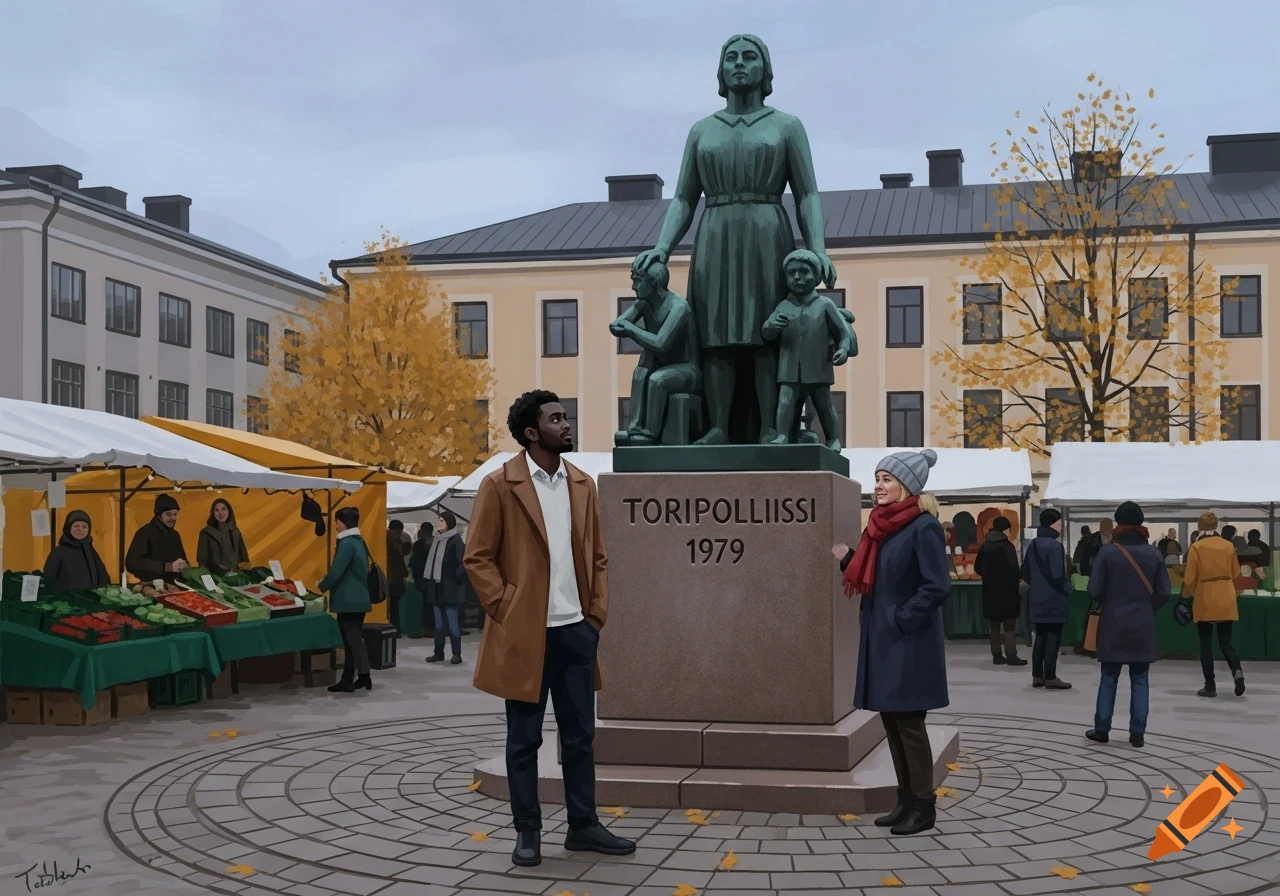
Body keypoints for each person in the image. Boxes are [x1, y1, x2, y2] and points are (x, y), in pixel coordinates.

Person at [631, 34, 836, 446]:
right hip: (716, 236)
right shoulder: (702, 131)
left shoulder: (786, 126)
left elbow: (808, 193)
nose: (739, 64)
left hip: (766, 232)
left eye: (749, 57)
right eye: (731, 58)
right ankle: (719, 427)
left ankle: (770, 428)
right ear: (720, 72)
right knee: (715, 338)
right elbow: (685, 197)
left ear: (766, 70)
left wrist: (818, 248)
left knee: (764, 335)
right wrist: (662, 246)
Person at [464, 390, 635, 867]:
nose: (566, 423)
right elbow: (477, 557)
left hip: (576, 632)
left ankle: (583, 826)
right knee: (524, 741)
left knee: (580, 737)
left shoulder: (582, 484)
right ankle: (528, 831)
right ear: (531, 432)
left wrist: (595, 615)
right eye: (555, 418)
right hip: (525, 635)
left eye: (566, 416)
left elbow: (598, 556)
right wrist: (506, 607)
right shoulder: (500, 486)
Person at [832, 448, 950, 837]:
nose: (878, 486)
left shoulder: (923, 527)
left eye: (887, 479)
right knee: (892, 724)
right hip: (884, 640)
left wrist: (902, 620)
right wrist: (848, 558)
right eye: (878, 478)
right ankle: (905, 800)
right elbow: (879, 576)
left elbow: (936, 587)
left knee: (910, 725)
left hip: (908, 643)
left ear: (907, 486)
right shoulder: (882, 527)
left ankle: (924, 805)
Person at [1085, 501, 1170, 748]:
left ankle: (1102, 729)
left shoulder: (1108, 553)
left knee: (1109, 676)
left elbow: (1095, 589)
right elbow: (1164, 592)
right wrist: (1146, 606)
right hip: (1143, 622)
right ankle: (1137, 733)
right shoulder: (1154, 554)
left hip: (1113, 621)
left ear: (1118, 524)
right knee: (1140, 677)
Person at [763, 249, 857, 450]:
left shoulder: (824, 305)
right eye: (792, 273)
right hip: (789, 368)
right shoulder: (784, 305)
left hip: (818, 367)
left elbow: (844, 333)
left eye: (803, 272)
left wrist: (843, 349)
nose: (797, 277)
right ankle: (782, 435)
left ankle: (832, 439)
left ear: (815, 276)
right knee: (785, 402)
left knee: (824, 405)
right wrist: (772, 325)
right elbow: (767, 333)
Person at [610, 260, 701, 445]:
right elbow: (617, 324)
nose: (633, 286)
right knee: (641, 372)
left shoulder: (679, 308)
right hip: (661, 365)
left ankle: (650, 434)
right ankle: (634, 428)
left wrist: (630, 329)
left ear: (653, 283)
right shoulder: (643, 303)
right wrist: (621, 325)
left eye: (637, 281)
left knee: (657, 379)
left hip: (688, 371)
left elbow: (661, 343)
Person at [1183, 512, 1245, 698]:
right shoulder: (1228, 546)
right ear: (1217, 525)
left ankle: (1210, 685)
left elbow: (1190, 578)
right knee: (1226, 643)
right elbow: (1236, 573)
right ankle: (1237, 673)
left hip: (1205, 597)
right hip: (1226, 595)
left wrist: (1183, 597)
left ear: (1199, 527)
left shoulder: (1196, 547)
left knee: (1206, 645)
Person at [318, 506, 373, 693]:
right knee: (352, 640)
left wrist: (321, 586)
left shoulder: (347, 543)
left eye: (337, 521)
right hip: (358, 598)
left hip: (348, 598)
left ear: (342, 523)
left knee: (352, 639)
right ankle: (348, 679)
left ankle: (364, 675)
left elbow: (336, 571)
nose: (335, 525)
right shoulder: (359, 541)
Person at [1022, 509, 1072, 690]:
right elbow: (1058, 575)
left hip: (1037, 597)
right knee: (1053, 637)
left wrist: (1037, 585)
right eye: (1059, 522)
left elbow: (1025, 572)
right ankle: (1050, 676)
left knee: (1040, 637)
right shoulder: (1055, 546)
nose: (1061, 525)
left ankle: (1037, 676)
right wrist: (1068, 589)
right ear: (1053, 523)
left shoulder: (1033, 545)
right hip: (1055, 598)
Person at [974, 516, 1024, 667]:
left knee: (994, 626)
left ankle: (997, 656)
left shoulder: (985, 546)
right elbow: (1014, 569)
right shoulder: (1007, 547)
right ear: (1004, 530)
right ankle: (1012, 656)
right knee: (1009, 625)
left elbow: (977, 568)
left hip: (990, 591)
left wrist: (989, 577)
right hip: (1008, 591)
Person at [420, 510, 466, 664]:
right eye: (438, 521)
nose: (439, 524)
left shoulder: (455, 541)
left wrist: (454, 577)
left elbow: (462, 564)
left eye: (442, 521)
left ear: (449, 523)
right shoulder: (437, 540)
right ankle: (438, 652)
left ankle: (456, 654)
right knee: (438, 625)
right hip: (437, 588)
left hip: (450, 588)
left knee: (452, 624)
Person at [126, 494, 189, 584]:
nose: (173, 518)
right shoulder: (144, 533)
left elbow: (183, 559)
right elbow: (132, 563)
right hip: (151, 587)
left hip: (176, 587)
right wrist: (167, 567)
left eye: (175, 514)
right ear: (159, 514)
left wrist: (185, 565)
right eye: (169, 514)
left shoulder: (175, 535)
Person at [43, 510, 110, 591]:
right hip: (66, 601)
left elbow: (103, 577)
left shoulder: (90, 552)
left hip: (90, 600)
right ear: (68, 528)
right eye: (76, 526)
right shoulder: (58, 552)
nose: (80, 529)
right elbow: (49, 579)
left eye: (84, 527)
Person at [196, 499, 250, 576]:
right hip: (217, 577)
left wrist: (245, 567)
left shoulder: (235, 531)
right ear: (213, 513)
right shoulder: (206, 533)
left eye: (223, 509)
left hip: (237, 575)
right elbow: (202, 562)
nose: (220, 512)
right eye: (216, 510)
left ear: (229, 511)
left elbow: (243, 553)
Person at [386, 520, 410, 632]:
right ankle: (396, 628)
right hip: (395, 577)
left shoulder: (382, 538)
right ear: (398, 530)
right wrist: (405, 573)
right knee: (395, 605)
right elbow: (399, 559)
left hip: (383, 577)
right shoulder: (395, 541)